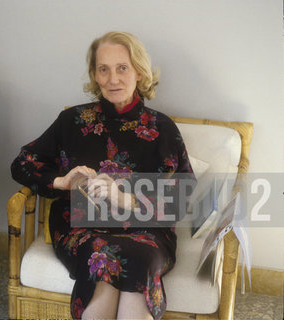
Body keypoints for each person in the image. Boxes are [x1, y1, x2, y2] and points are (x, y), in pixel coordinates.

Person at [11, 31, 194, 320]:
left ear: (139, 72)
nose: (113, 79)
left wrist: (124, 198)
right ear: (94, 75)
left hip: (147, 232)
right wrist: (61, 182)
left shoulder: (163, 129)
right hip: (83, 229)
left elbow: (181, 199)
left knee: (140, 259)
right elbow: (22, 163)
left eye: (122, 68)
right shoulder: (72, 121)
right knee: (102, 258)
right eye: (103, 69)